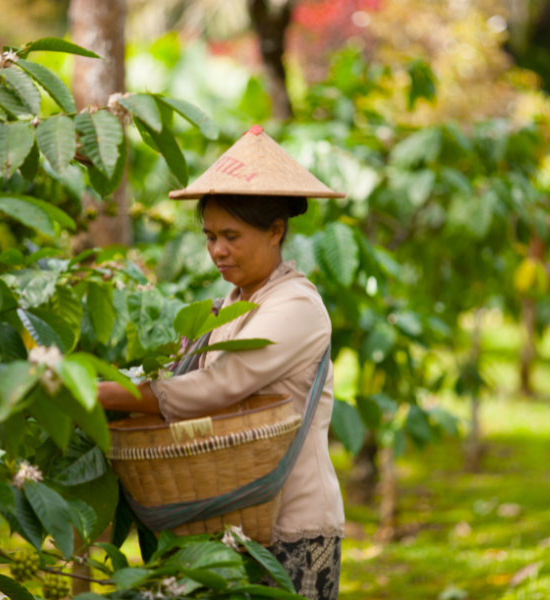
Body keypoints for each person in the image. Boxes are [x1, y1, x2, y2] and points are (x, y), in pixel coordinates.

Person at [98, 126, 345, 600]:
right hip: (228, 518)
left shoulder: (295, 305)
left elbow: (218, 386)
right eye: (210, 236)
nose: (217, 251)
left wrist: (106, 394)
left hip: (293, 525)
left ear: (276, 232)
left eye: (231, 236)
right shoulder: (233, 304)